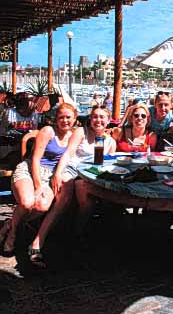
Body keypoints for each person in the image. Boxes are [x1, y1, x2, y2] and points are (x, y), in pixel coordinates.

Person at [0, 103, 77, 263]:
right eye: (61, 117)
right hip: (30, 170)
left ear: (74, 119)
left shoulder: (72, 136)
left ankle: (9, 224)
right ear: (56, 119)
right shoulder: (48, 131)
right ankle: (13, 234)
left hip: (50, 176)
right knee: (27, 203)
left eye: (68, 117)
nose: (65, 120)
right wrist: (38, 186)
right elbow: (35, 159)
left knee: (42, 205)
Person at [51, 105, 116, 196]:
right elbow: (68, 153)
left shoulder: (110, 142)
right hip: (72, 169)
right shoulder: (81, 132)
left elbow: (106, 165)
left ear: (108, 120)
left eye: (102, 117)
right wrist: (58, 173)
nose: (98, 120)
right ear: (90, 119)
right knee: (66, 182)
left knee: (86, 189)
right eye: (95, 117)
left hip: (91, 174)